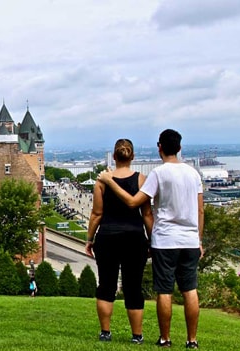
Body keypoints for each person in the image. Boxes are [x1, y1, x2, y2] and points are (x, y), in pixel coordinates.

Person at [98, 129, 204, 349]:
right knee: (189, 290)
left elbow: (134, 203)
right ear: (180, 147)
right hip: (190, 240)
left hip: (165, 240)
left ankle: (165, 338)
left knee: (165, 290)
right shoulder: (194, 174)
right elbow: (200, 211)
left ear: (160, 147)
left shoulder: (158, 173)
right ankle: (192, 340)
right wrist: (199, 239)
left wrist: (109, 180)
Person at [85, 138, 153, 344]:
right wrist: (152, 240)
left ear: (114, 157)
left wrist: (89, 239)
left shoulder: (102, 181)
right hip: (134, 237)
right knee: (133, 286)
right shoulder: (141, 179)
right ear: (132, 157)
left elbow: (97, 213)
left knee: (106, 284)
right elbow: (147, 214)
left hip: (107, 237)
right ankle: (137, 335)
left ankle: (105, 332)